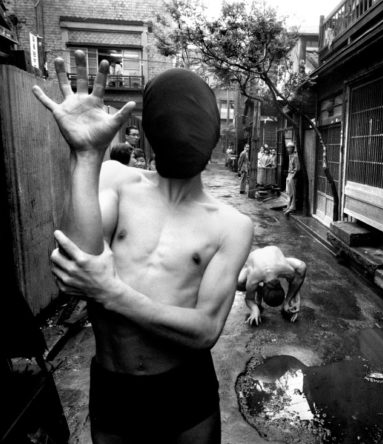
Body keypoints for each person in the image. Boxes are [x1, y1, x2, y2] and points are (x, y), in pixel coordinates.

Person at [32, 50, 253, 443]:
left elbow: (205, 330)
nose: (183, 129)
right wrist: (85, 156)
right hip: (114, 386)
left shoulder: (232, 225)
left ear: (214, 135)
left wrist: (112, 293)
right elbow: (72, 268)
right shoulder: (116, 180)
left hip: (185, 388)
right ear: (151, 129)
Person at [237, 246, 306, 326]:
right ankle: (258, 290)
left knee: (302, 267)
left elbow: (294, 281)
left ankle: (287, 301)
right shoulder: (254, 278)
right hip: (255, 260)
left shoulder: (287, 270)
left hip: (276, 260)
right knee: (239, 283)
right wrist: (255, 309)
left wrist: (293, 300)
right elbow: (249, 299)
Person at [284, 141, 300, 216]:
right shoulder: (290, 156)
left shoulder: (295, 156)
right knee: (288, 192)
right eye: (287, 148)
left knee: (293, 192)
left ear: (292, 148)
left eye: (289, 148)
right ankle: (288, 206)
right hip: (289, 174)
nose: (288, 149)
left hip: (292, 176)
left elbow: (297, 168)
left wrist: (292, 176)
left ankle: (292, 207)